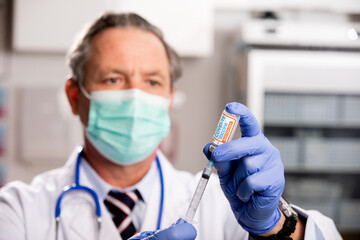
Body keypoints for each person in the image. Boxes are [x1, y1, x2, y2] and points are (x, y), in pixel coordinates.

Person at [0, 12, 341, 240]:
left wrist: (276, 226)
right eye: (114, 78)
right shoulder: (18, 211)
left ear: (169, 96)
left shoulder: (222, 207)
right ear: (75, 96)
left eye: (152, 81)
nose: (135, 96)